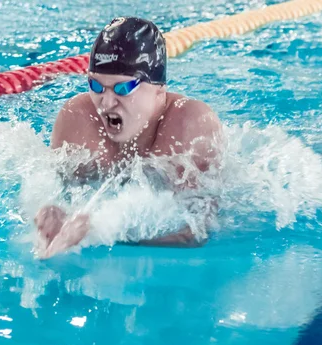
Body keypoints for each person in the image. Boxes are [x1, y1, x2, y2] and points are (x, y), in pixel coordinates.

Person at [35, 16, 223, 258]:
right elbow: (58, 192)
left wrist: (98, 232)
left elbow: (194, 233)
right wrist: (51, 214)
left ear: (159, 90)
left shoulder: (190, 124)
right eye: (96, 86)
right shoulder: (78, 119)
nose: (107, 102)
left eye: (123, 88)